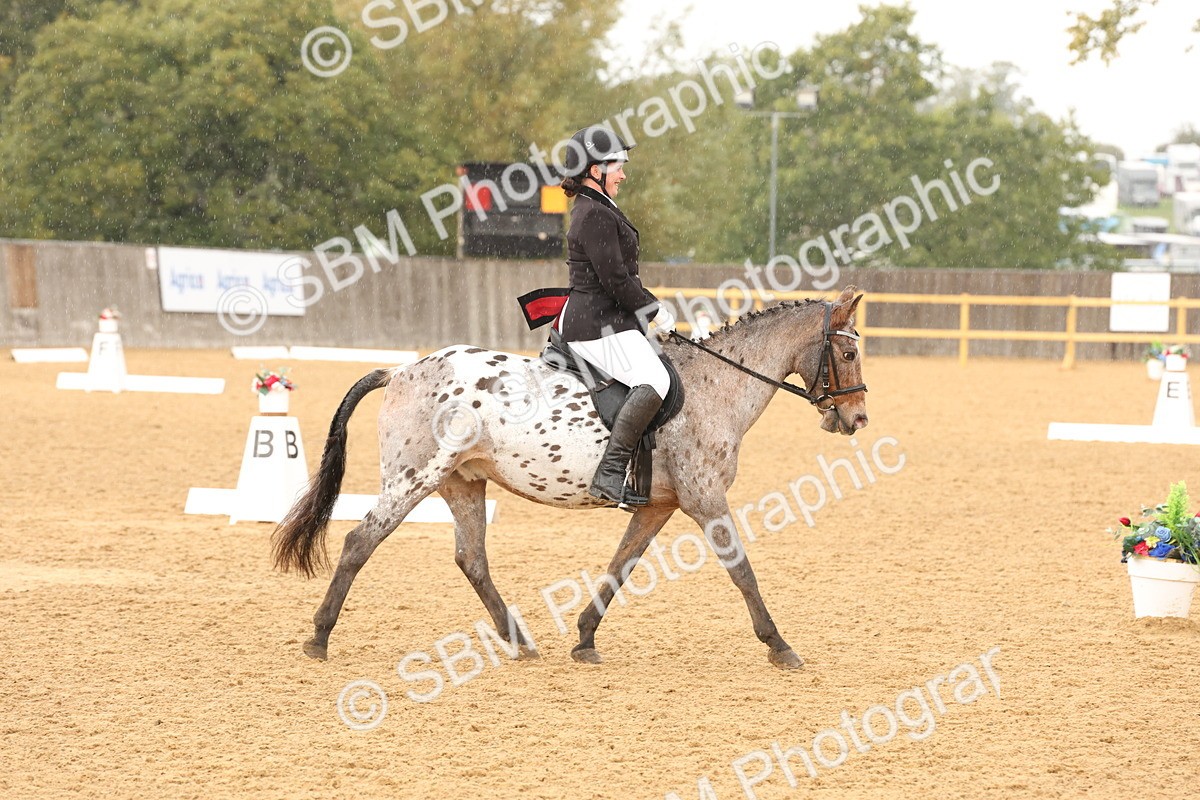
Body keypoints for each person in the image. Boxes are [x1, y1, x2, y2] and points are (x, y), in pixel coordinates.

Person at [556, 124, 676, 507]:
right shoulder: (593, 214)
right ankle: (609, 473)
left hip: (607, 319)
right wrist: (654, 310)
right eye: (616, 166)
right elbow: (616, 280)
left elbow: (621, 278)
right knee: (655, 378)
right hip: (595, 325)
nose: (623, 173)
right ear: (595, 170)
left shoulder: (600, 208)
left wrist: (651, 306)